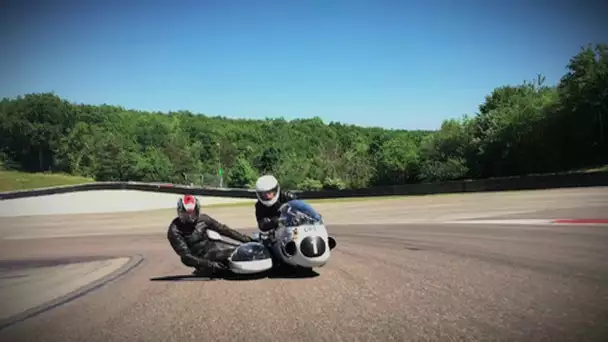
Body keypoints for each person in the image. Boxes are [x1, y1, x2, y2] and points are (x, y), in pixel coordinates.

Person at [167, 194, 254, 275]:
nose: (190, 217)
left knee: (239, 250)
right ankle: (205, 269)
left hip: (212, 247)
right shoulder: (174, 230)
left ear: (197, 210)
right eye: (186, 213)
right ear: (180, 212)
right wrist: (210, 264)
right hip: (197, 257)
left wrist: (246, 239)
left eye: (192, 213)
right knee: (227, 267)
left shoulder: (203, 219)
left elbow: (224, 230)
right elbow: (186, 257)